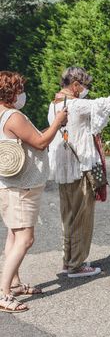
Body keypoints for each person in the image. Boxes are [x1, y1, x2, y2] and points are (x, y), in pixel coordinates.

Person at [48, 67, 110, 278]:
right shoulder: (77, 105)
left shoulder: (54, 104)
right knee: (82, 217)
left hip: (63, 169)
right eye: (84, 85)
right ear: (75, 85)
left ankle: (68, 260)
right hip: (80, 168)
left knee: (68, 216)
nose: (86, 89)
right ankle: (77, 265)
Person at [0, 72, 68, 312]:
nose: (22, 94)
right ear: (11, 92)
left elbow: (31, 138)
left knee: (13, 235)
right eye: (19, 89)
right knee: (26, 239)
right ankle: (4, 292)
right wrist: (58, 122)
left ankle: (14, 284)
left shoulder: (2, 114)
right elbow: (40, 142)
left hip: (11, 184)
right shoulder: (13, 115)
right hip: (22, 186)